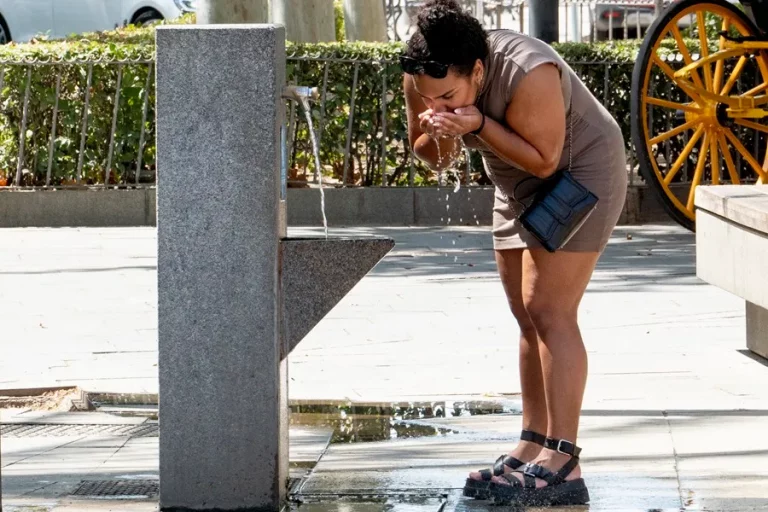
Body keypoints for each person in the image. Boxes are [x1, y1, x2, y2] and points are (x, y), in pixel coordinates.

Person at [400, 0, 627, 506]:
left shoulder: (528, 69)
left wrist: (477, 125)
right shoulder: (421, 76)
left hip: (579, 170)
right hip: (511, 180)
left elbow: (546, 161)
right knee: (525, 314)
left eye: (448, 95)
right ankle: (534, 442)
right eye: (427, 96)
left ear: (478, 71)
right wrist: (439, 130)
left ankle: (564, 461)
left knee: (550, 308)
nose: (435, 102)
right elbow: (434, 157)